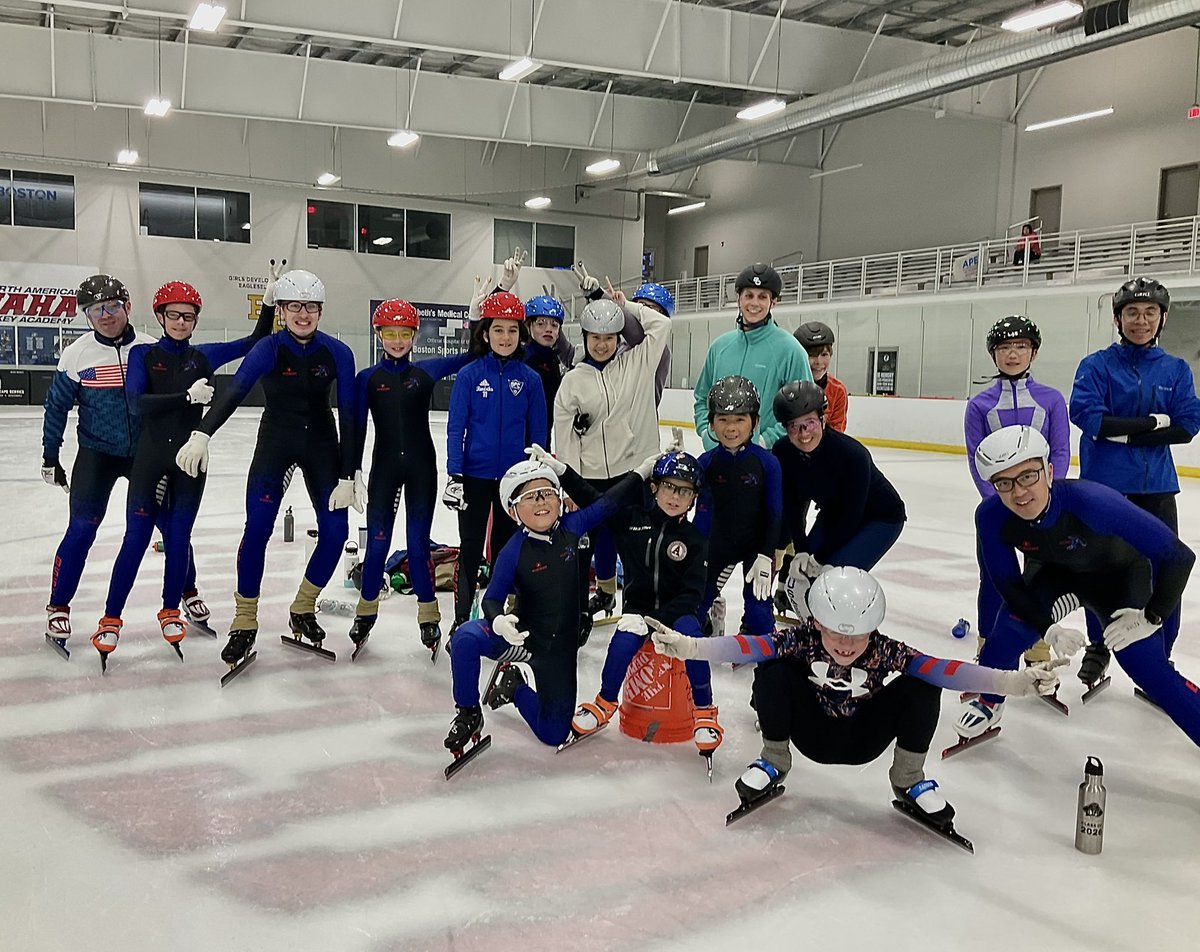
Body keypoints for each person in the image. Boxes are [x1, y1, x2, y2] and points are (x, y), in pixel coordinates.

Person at [651, 567, 1062, 827]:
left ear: (874, 627)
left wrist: (1012, 683)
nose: (846, 645)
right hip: (810, 735)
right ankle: (774, 759)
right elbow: (745, 647)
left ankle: (908, 779)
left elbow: (948, 671)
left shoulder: (887, 650)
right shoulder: (799, 639)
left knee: (922, 683)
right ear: (816, 623)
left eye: (857, 634)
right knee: (773, 670)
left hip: (864, 738)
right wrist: (691, 648)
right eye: (835, 632)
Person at [958, 425, 1200, 748]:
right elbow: (1008, 585)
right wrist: (1048, 629)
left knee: (1147, 669)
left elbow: (1179, 557)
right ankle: (990, 700)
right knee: (1006, 635)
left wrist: (1151, 617)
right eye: (1004, 483)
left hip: (1119, 580)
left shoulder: (1092, 502)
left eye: (1028, 476)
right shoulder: (991, 516)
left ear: (1049, 471)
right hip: (1057, 577)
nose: (1019, 492)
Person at [175, 269, 362, 669]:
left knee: (336, 531)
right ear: (281, 310)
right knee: (257, 528)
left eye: (311, 307)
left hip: (322, 445)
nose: (303, 314)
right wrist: (202, 433)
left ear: (321, 310)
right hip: (275, 442)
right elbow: (235, 391)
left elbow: (349, 413)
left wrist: (350, 472)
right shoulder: (269, 348)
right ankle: (244, 620)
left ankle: (303, 607)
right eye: (294, 306)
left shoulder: (338, 353)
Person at [96, 271, 278, 663]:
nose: (181, 322)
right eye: (174, 315)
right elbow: (136, 404)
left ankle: (170, 609)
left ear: (195, 320)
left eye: (189, 317)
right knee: (136, 538)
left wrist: (267, 304)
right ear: (160, 317)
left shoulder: (204, 356)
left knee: (179, 538)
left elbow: (254, 342)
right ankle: (111, 617)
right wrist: (186, 396)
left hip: (189, 463)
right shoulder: (144, 355)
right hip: (149, 458)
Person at [443, 456, 652, 754]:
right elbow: (492, 599)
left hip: (559, 651)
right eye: (530, 497)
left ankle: (513, 686)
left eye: (547, 493)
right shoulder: (512, 551)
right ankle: (467, 713)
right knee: (465, 637)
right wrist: (499, 621)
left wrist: (641, 473)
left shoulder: (572, 527)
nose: (541, 502)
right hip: (523, 638)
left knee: (554, 733)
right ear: (513, 510)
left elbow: (608, 503)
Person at [527, 445, 716, 753]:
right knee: (624, 638)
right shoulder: (631, 521)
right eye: (669, 486)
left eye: (685, 491)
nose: (675, 497)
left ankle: (705, 711)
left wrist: (658, 621)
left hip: (677, 613)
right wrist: (560, 471)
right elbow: (593, 499)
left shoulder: (695, 540)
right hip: (637, 609)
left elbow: (692, 594)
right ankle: (605, 701)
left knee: (693, 637)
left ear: (694, 498)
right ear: (653, 487)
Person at [1069, 276, 1200, 678]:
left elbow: (1189, 424)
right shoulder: (1096, 365)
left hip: (1157, 488)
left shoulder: (1176, 369)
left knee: (1166, 573)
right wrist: (1151, 423)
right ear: (1117, 319)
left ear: (1161, 319)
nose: (1140, 321)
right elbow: (1088, 418)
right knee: (1098, 568)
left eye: (1149, 313)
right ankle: (1098, 646)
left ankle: (1161, 654)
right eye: (1131, 313)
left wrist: (1121, 432)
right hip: (1104, 488)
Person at [350, 298, 476, 659]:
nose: (396, 340)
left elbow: (468, 356)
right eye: (389, 333)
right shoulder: (367, 380)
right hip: (385, 470)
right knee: (377, 546)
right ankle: (365, 614)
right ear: (378, 335)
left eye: (403, 333)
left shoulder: (425, 372)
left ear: (413, 335)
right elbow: (357, 428)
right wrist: (352, 472)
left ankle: (428, 618)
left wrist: (478, 312)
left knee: (419, 546)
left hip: (421, 468)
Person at [41, 274, 159, 658]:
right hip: (97, 453)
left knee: (169, 525)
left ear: (127, 306)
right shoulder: (76, 355)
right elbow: (57, 406)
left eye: (111, 307)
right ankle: (58, 605)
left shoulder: (151, 348)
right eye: (95, 310)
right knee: (81, 529)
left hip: (145, 455)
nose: (105, 316)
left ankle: (186, 592)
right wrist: (50, 455)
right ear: (87, 316)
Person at [553, 289, 670, 617]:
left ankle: (638, 613)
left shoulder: (638, 362)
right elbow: (564, 438)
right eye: (594, 337)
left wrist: (624, 304)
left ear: (619, 337)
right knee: (582, 549)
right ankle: (577, 614)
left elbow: (661, 325)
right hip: (587, 481)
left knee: (633, 549)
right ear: (585, 337)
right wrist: (570, 487)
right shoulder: (573, 381)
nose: (601, 344)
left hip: (629, 477)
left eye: (608, 337)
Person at [963, 315, 1069, 662]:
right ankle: (988, 645)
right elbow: (976, 458)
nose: (1012, 354)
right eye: (1005, 347)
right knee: (994, 578)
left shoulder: (1051, 399)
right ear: (993, 354)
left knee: (1040, 577)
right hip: (999, 509)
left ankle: (1037, 648)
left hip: (1043, 507)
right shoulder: (979, 405)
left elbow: (1061, 451)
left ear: (1033, 353)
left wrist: (1046, 500)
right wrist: (999, 502)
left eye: (1021, 346)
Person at [444, 291, 547, 636]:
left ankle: (500, 616)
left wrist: (534, 476)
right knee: (470, 548)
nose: (506, 338)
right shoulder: (470, 376)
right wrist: (454, 474)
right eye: (498, 330)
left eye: (512, 330)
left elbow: (538, 436)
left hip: (513, 481)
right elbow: (456, 426)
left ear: (522, 334)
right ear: (485, 333)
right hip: (473, 476)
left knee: (507, 551)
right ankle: (461, 618)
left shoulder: (531, 380)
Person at [772, 380, 905, 609]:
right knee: (798, 582)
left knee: (830, 582)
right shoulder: (784, 452)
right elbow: (792, 505)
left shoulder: (852, 455)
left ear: (823, 419)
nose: (804, 434)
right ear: (786, 428)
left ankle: (844, 629)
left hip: (881, 518)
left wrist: (819, 557)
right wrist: (802, 550)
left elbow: (851, 516)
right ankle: (813, 631)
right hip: (835, 513)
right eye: (794, 426)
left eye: (810, 423)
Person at [693, 375, 782, 641]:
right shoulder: (705, 463)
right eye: (722, 419)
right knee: (692, 612)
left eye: (740, 420)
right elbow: (694, 511)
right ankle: (711, 614)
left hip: (757, 550)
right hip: (717, 547)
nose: (731, 428)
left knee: (759, 617)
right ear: (710, 423)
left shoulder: (767, 463)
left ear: (755, 423)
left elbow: (775, 513)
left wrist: (767, 555)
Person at [691, 262, 812, 450]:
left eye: (762, 297)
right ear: (738, 299)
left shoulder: (790, 350)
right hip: (718, 455)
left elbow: (802, 410)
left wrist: (764, 441)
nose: (754, 303)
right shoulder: (720, 347)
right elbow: (702, 396)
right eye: (749, 295)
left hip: (766, 458)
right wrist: (707, 432)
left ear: (773, 302)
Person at [522, 294, 570, 446]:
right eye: (541, 324)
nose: (548, 329)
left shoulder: (552, 358)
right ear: (528, 326)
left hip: (544, 441)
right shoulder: (522, 359)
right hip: (521, 445)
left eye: (554, 325)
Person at [794, 321, 848, 433]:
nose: (818, 362)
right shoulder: (787, 386)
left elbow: (837, 434)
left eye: (824, 355)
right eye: (811, 355)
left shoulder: (837, 391)